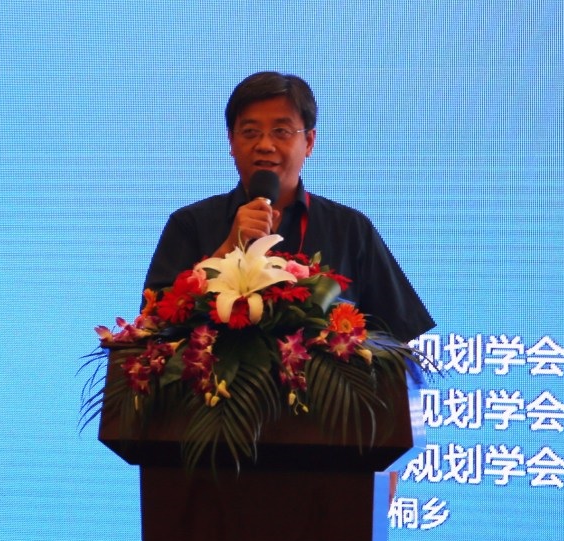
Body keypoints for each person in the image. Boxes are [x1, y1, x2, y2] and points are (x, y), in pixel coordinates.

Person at [143, 71, 434, 342]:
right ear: (231, 141)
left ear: (309, 141)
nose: (265, 145)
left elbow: (399, 339)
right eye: (250, 132)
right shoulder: (189, 224)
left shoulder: (349, 229)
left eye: (281, 131)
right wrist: (228, 248)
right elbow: (152, 328)